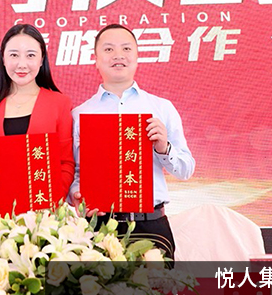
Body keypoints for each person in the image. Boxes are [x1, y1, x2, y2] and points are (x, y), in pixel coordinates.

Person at [68, 24, 195, 259]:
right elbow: (75, 172)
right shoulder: (79, 114)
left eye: (126, 48)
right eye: (109, 49)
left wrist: (163, 148)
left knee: (155, 285)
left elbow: (186, 169)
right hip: (98, 228)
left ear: (137, 57)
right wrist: (76, 194)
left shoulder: (161, 108)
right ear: (95, 59)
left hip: (151, 226)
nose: (118, 55)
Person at [0, 24, 75, 226]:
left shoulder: (60, 103)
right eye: (14, 55)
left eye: (30, 55)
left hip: (43, 217)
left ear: (42, 59)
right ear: (3, 59)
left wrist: (53, 199)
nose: (22, 64)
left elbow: (66, 163)